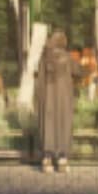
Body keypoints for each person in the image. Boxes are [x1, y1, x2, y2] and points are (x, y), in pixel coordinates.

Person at [35, 31, 84, 174]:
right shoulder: (67, 58)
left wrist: (38, 98)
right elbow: (79, 72)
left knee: (48, 124)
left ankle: (47, 159)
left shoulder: (44, 59)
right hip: (64, 98)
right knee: (64, 124)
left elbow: (39, 81)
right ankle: (62, 159)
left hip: (48, 98)